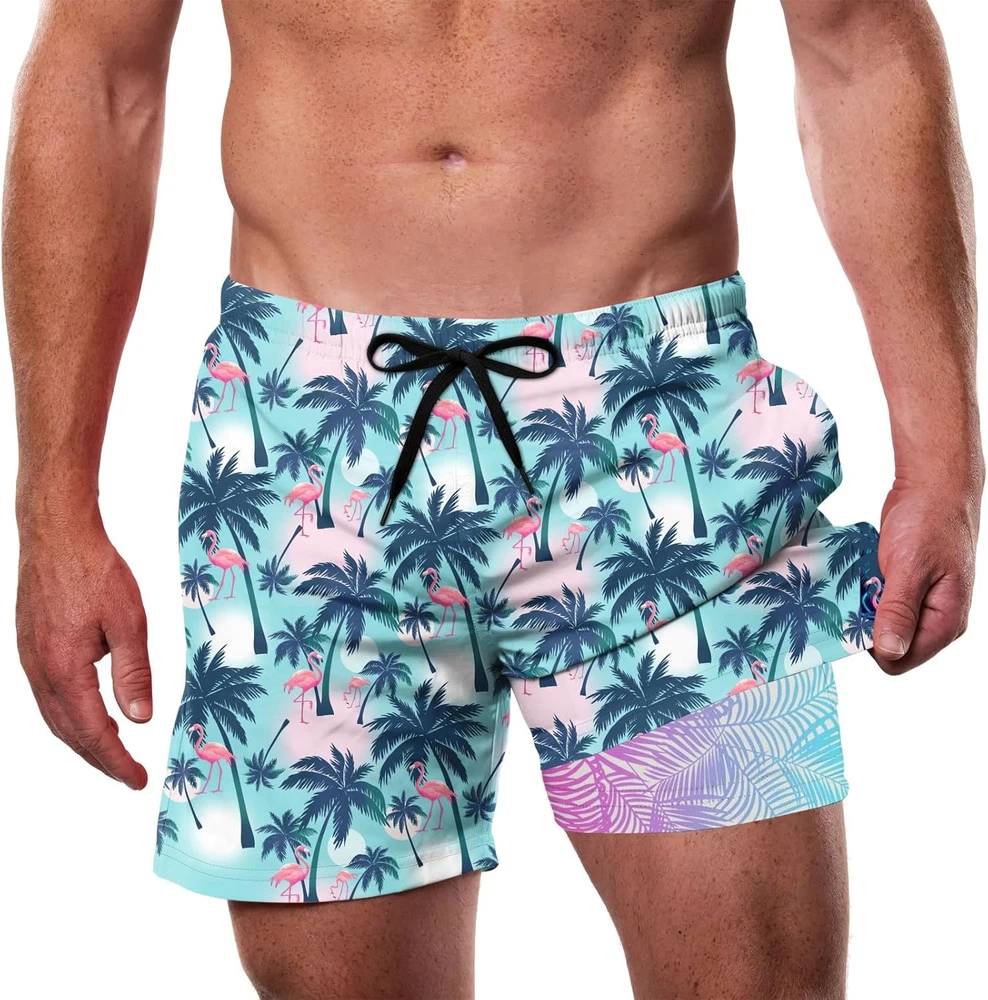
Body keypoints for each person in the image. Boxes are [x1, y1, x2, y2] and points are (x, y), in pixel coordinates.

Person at [4, 1, 981, 997]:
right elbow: (101, 69)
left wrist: (945, 458)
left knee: (757, 980)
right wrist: (53, 510)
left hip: (659, 429)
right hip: (309, 438)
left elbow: (858, 39)